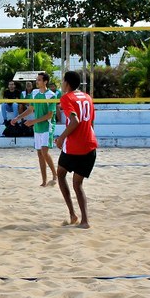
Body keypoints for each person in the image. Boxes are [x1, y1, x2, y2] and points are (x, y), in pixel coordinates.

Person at [54, 70, 98, 229]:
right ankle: (84, 220)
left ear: (66, 83)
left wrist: (61, 137)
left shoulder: (66, 98)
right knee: (77, 184)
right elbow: (91, 124)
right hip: (90, 145)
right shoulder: (87, 98)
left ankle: (73, 214)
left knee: (60, 174)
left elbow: (75, 121)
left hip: (74, 147)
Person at [11, 72, 57, 187]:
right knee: (40, 154)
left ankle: (55, 175)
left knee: (44, 152)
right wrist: (18, 117)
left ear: (45, 81)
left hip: (47, 126)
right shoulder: (35, 93)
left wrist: (33, 122)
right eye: (36, 80)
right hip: (37, 127)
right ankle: (44, 181)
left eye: (39, 80)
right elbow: (31, 109)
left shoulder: (51, 95)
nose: (37, 82)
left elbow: (49, 115)